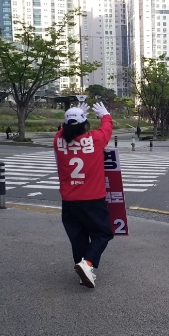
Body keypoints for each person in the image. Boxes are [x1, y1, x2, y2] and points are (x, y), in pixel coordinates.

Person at [54, 102, 113, 288]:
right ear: (85, 125)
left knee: (78, 237)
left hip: (69, 201)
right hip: (92, 198)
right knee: (102, 233)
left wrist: (75, 115)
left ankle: (84, 273)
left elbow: (61, 131)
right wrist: (105, 115)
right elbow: (106, 130)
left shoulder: (58, 141)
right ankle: (86, 264)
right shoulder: (94, 140)